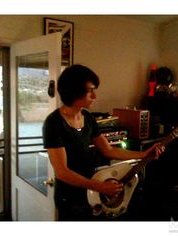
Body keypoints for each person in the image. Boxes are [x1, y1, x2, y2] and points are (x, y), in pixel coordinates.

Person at [43, 64, 165, 221]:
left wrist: (143, 154)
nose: (95, 96)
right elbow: (62, 172)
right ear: (74, 92)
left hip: (93, 190)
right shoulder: (54, 123)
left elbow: (108, 150)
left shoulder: (87, 118)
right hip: (70, 198)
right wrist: (100, 187)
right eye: (90, 91)